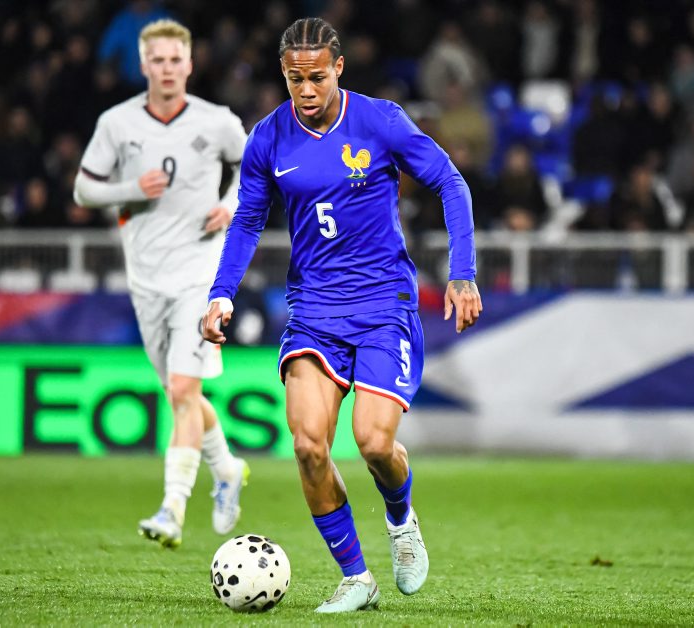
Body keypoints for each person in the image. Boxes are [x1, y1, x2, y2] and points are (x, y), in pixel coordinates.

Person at [201, 18, 483, 613]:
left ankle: (401, 520)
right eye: (294, 78)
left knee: (374, 444)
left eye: (317, 77)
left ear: (339, 68)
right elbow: (248, 219)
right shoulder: (268, 138)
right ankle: (357, 577)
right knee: (309, 446)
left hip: (383, 305)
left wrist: (463, 273)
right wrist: (221, 293)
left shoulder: (380, 121)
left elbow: (451, 184)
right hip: (314, 310)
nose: (306, 89)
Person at [73, 19, 249, 548]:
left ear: (189, 65)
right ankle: (227, 469)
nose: (168, 69)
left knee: (184, 390)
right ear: (143, 64)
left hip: (201, 274)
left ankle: (173, 508)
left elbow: (255, 171)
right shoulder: (117, 122)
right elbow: (84, 189)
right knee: (181, 395)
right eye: (158, 60)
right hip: (146, 277)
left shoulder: (218, 121)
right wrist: (130, 188)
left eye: (176, 60)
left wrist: (230, 205)